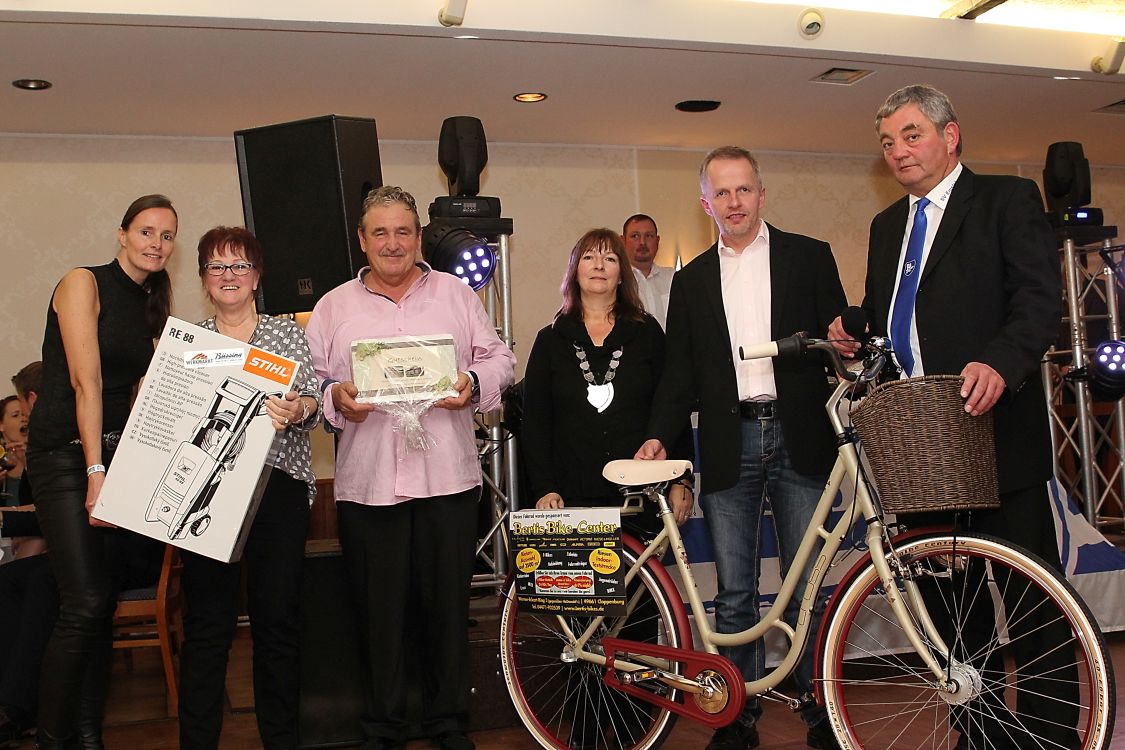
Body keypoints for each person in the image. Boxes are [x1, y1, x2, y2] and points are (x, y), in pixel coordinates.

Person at [828, 83, 1074, 750]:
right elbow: (890, 311)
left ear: (948, 135)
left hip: (996, 434)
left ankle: (1053, 738)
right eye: (887, 142)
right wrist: (853, 326)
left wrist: (999, 361)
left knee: (1030, 604)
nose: (898, 151)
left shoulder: (1004, 201)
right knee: (948, 618)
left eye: (910, 135)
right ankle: (982, 734)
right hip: (922, 447)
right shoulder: (887, 227)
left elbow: (1037, 302)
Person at [636, 147, 846, 750]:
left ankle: (820, 713)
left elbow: (838, 345)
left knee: (809, 587)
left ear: (762, 193)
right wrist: (658, 433)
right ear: (706, 203)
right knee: (734, 592)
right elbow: (679, 374)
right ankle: (737, 718)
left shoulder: (810, 257)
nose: (734, 203)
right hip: (729, 444)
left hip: (802, 437)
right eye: (722, 193)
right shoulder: (693, 278)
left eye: (744, 190)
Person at [305, 186, 515, 750]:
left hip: (448, 479)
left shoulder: (457, 295)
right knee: (377, 616)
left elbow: (500, 359)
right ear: (362, 240)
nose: (392, 243)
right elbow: (312, 384)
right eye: (380, 232)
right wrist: (336, 399)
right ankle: (384, 725)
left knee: (446, 610)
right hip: (367, 485)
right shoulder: (332, 307)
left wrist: (472, 384)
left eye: (403, 231)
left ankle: (449, 722)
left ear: (419, 237)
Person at [26, 194, 178, 750]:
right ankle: (50, 738)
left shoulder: (153, 303)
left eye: (166, 236)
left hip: (114, 458)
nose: (156, 243)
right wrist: (95, 471)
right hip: (67, 455)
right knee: (85, 601)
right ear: (121, 235)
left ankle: (89, 735)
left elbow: (144, 392)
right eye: (146, 231)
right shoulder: (82, 283)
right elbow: (86, 382)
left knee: (102, 602)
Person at [176, 226, 321, 750]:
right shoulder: (187, 341)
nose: (229, 276)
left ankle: (282, 741)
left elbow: (313, 401)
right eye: (217, 266)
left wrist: (298, 406)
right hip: (206, 493)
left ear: (257, 276)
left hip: (276, 490)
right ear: (203, 279)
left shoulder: (286, 334)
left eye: (240, 266)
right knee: (208, 627)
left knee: (276, 623)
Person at [523, 228, 692, 522]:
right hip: (566, 498)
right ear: (574, 271)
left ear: (622, 273)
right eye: (589, 257)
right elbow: (535, 423)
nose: (599, 265)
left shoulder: (648, 333)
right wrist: (544, 488)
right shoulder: (550, 340)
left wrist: (682, 480)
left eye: (610, 258)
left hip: (642, 492)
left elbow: (671, 405)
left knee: (646, 571)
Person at [621, 214, 674, 329]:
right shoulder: (617, 282)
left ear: (657, 241)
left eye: (649, 236)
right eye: (635, 236)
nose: (642, 242)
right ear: (622, 241)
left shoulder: (673, 279)